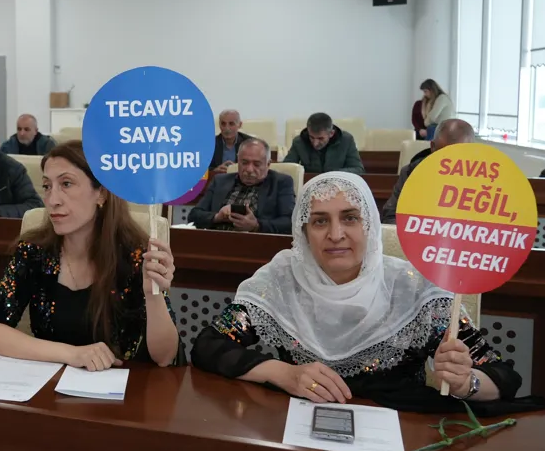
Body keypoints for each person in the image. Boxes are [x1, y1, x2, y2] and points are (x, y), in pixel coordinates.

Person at [191, 172, 521, 411]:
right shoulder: (281, 279)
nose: (336, 234)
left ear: (369, 225)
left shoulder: (412, 288)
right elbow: (208, 345)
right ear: (303, 232)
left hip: (399, 446)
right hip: (298, 439)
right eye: (320, 221)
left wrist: (466, 382)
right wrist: (285, 374)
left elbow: (502, 376)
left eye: (350, 218)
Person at [0, 141, 182, 369]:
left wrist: (153, 295)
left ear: (101, 193)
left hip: (123, 386)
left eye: (66, 184)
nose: (52, 200)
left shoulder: (136, 255)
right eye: (47, 186)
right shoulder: (34, 251)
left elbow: (164, 357)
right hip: (51, 384)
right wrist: (71, 354)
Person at [188, 138, 294, 233]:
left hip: (256, 244)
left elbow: (290, 222)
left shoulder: (281, 183)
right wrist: (217, 217)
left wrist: (256, 225)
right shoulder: (220, 181)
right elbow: (194, 215)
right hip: (216, 241)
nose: (249, 169)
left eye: (256, 164)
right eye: (244, 163)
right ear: (238, 161)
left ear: (268, 164)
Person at [382, 119, 475, 224]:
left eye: (459, 156)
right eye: (445, 156)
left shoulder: (483, 180)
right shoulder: (411, 172)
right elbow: (390, 216)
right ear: (433, 147)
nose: (451, 165)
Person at [282, 113, 364, 174]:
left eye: (320, 138)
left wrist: (333, 174)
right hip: (309, 184)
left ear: (331, 133)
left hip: (338, 185)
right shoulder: (299, 142)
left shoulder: (346, 140)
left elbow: (358, 169)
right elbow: (286, 168)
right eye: (311, 137)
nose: (315, 143)